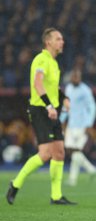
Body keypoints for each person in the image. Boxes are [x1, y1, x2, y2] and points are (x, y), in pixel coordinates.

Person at [6, 28, 76, 205]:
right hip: (40, 110)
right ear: (48, 42)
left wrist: (64, 99)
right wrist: (49, 105)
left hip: (52, 111)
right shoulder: (41, 59)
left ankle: (56, 196)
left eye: (62, 39)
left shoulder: (53, 63)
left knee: (59, 152)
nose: (62, 42)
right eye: (58, 39)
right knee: (45, 154)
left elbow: (55, 88)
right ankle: (15, 184)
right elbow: (38, 84)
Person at [59, 70, 96, 186]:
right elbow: (67, 106)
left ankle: (73, 179)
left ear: (80, 78)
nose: (75, 78)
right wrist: (62, 120)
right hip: (71, 125)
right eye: (74, 76)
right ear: (71, 77)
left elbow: (92, 107)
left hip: (82, 125)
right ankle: (91, 170)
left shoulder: (85, 90)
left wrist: (89, 124)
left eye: (77, 76)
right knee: (71, 151)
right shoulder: (69, 89)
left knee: (76, 151)